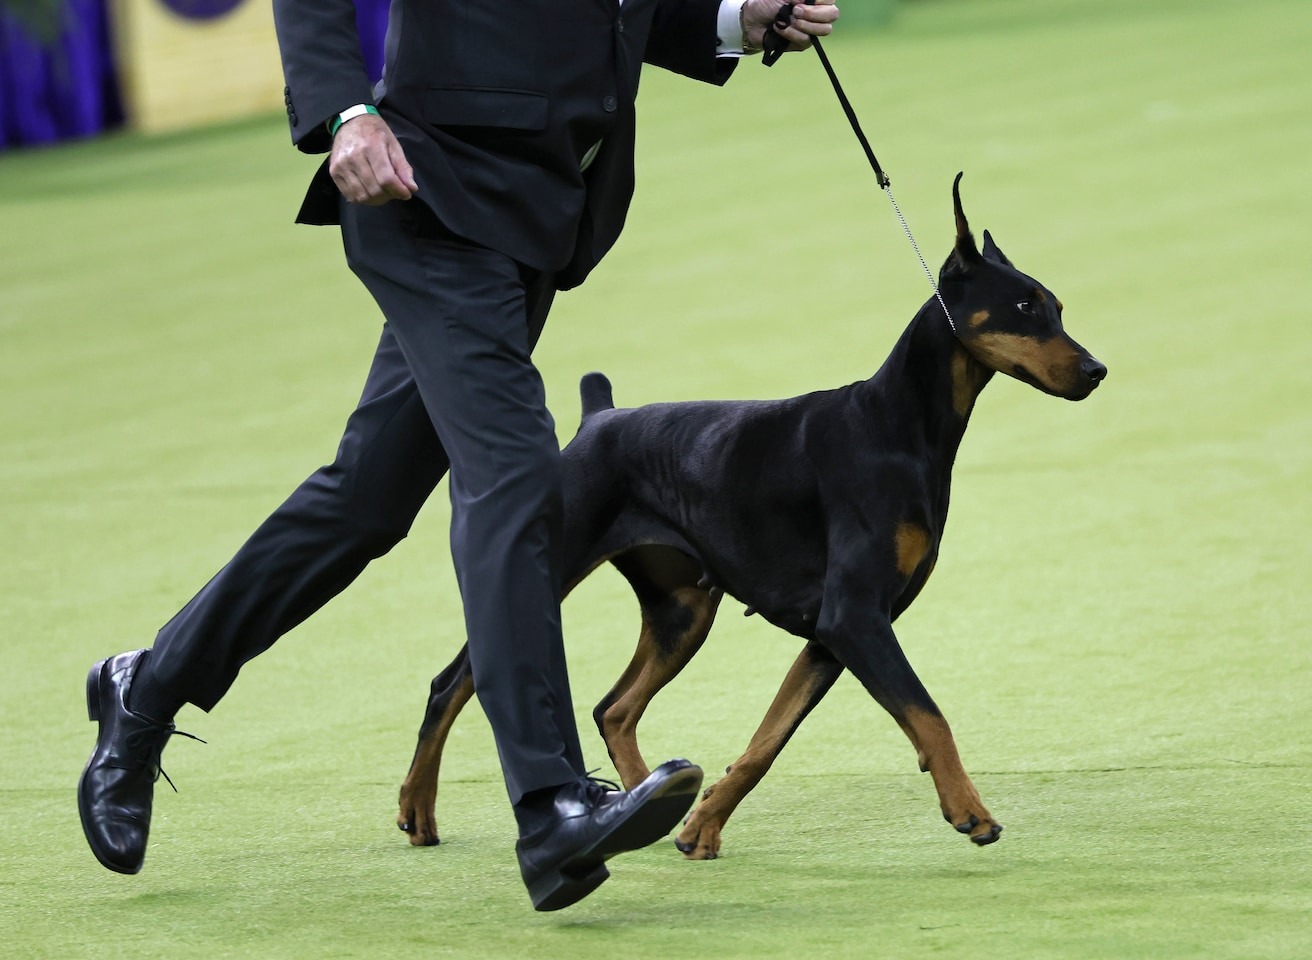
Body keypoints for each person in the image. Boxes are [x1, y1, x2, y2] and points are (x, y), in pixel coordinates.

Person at [78, 0, 839, 912]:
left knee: (364, 500)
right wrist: (344, 112)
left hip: (536, 209)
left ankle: (146, 686)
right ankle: (552, 803)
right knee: (516, 476)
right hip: (425, 187)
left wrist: (730, 19)